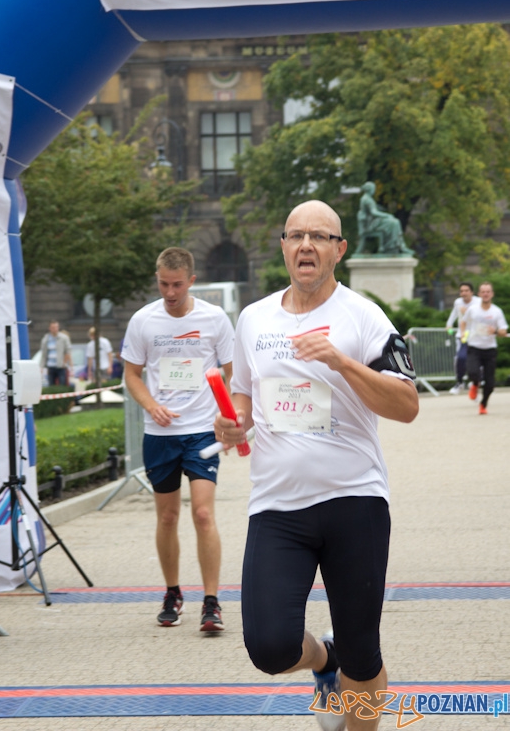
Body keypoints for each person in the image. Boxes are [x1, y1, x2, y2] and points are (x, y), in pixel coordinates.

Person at [214, 200, 419, 731]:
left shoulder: (364, 315)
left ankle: (350, 686)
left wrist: (341, 361)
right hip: (278, 507)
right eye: (296, 235)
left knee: (363, 652)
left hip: (355, 501)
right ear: (283, 245)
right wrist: (233, 424)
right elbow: (242, 401)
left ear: (338, 250)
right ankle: (322, 662)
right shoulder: (254, 318)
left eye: (320, 237)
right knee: (269, 646)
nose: (306, 244)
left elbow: (406, 405)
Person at [123, 247, 234, 633]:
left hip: (201, 430)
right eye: (163, 284)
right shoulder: (143, 321)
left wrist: (228, 414)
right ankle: (172, 592)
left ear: (191, 280)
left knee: (202, 514)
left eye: (176, 285)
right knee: (167, 516)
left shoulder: (214, 318)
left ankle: (212, 602)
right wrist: (151, 405)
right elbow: (132, 374)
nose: (170, 292)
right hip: (160, 435)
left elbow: (233, 373)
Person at [461, 282, 508, 415]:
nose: (486, 294)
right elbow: (463, 321)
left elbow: (504, 330)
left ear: (492, 294)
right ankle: (475, 384)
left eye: (488, 291)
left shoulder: (496, 311)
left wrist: (496, 331)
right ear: (479, 294)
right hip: (474, 347)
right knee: (473, 372)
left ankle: (483, 404)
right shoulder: (473, 309)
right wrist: (463, 332)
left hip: (490, 349)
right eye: (483, 291)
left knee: (490, 382)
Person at [354, 182, 413, 256]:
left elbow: (372, 210)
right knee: (394, 223)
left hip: (371, 222)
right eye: (374, 189)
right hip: (371, 224)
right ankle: (394, 246)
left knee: (394, 222)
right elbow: (373, 212)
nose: (374, 191)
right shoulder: (367, 199)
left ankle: (395, 246)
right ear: (371, 189)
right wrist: (387, 215)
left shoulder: (365, 198)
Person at [445, 282, 480, 394]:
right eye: (461, 291)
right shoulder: (458, 302)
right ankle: (459, 383)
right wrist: (449, 324)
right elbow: (454, 315)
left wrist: (467, 313)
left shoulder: (478, 302)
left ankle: (476, 381)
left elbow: (479, 319)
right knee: (461, 358)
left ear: (472, 292)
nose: (463, 293)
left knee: (476, 360)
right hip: (462, 336)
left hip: (475, 336)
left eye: (466, 291)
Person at [39, 320, 72, 386]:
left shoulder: (64, 338)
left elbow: (67, 351)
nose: (55, 329)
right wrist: (41, 366)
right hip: (50, 366)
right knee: (51, 384)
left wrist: (64, 363)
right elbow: (44, 354)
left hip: (61, 366)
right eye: (53, 327)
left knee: (62, 385)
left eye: (56, 327)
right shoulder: (46, 339)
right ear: (50, 328)